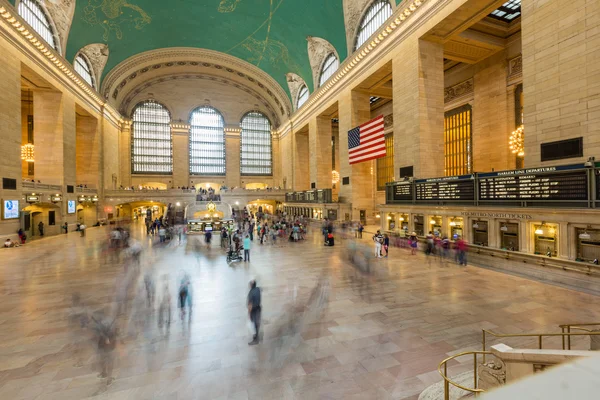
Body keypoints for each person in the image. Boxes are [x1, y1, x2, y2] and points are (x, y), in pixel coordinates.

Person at [247, 279, 261, 345]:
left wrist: (249, 314)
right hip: (258, 308)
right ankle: (256, 335)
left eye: (250, 284)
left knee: (253, 324)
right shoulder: (258, 289)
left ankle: (256, 339)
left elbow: (250, 304)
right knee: (256, 323)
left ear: (251, 285)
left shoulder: (251, 293)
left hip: (254, 310)